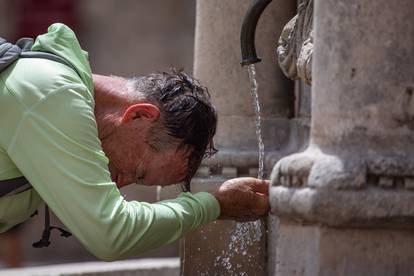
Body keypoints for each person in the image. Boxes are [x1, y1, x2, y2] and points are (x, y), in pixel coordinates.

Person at [0, 23, 269, 261]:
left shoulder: (52, 93)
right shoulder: (51, 94)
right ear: (140, 114)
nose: (120, 183)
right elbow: (110, 234)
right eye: (137, 173)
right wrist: (215, 205)